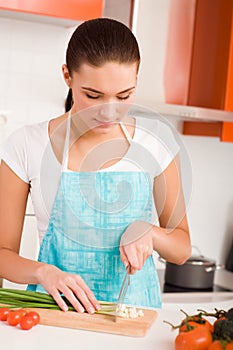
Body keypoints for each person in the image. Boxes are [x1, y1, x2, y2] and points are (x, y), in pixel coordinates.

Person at [0, 18, 191, 314]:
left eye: (124, 96)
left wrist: (149, 232)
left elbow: (181, 248)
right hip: (56, 318)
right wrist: (42, 272)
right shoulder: (26, 144)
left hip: (132, 321)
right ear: (67, 76)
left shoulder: (156, 142)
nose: (110, 111)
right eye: (94, 95)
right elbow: (2, 254)